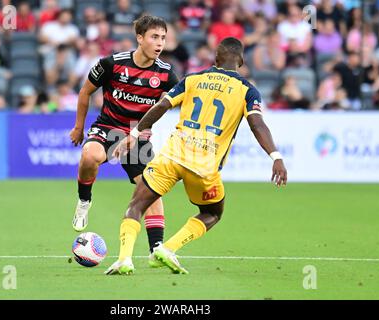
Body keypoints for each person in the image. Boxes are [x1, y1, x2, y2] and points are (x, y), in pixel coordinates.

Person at [105, 37, 287, 275]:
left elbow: (161, 106)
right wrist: (275, 156)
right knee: (212, 213)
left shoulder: (192, 79)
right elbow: (257, 124)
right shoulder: (248, 91)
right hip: (204, 166)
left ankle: (124, 259)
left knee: (136, 205)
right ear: (241, 61)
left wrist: (135, 132)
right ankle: (167, 248)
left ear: (216, 58)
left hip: (171, 156)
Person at [69, 15, 179, 266]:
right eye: (154, 37)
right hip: (108, 128)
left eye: (163, 37)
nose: (160, 42)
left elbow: (182, 99)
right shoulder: (112, 64)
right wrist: (78, 127)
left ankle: (156, 249)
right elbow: (85, 91)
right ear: (140, 38)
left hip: (137, 134)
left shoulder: (166, 74)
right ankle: (84, 200)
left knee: (150, 189)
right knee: (89, 156)